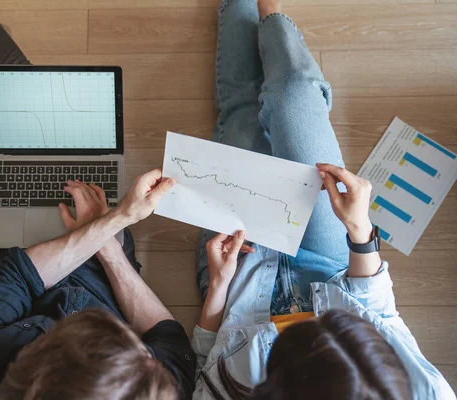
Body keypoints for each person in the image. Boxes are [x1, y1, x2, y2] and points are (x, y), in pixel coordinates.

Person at [0, 1, 196, 399]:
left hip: (2, 269)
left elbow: (13, 275)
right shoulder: (154, 387)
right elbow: (169, 339)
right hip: (104, 270)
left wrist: (111, 224)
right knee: (22, 122)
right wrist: (105, 238)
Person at [191, 0, 456, 399]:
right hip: (333, 270)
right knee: (293, 95)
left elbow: (207, 360)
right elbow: (380, 314)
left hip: (235, 280)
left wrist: (217, 286)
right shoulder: (426, 392)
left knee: (243, 115)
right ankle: (272, 16)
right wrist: (360, 232)